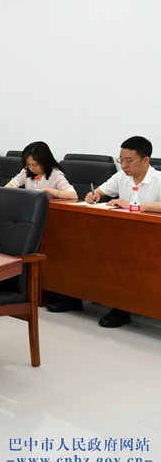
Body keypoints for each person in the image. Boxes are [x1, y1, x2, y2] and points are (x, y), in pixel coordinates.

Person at [80, 136, 161, 328]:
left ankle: (125, 307)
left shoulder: (158, 179)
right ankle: (116, 306)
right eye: (121, 160)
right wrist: (93, 195)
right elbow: (100, 192)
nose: (123, 165)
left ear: (145, 160)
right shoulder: (121, 177)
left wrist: (135, 206)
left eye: (129, 161)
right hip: (124, 237)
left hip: (153, 239)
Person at [5, 141, 77, 198]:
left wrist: (47, 190)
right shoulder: (26, 171)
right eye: (28, 164)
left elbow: (73, 195)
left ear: (45, 161)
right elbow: (9, 186)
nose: (32, 168)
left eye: (35, 165)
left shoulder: (55, 174)